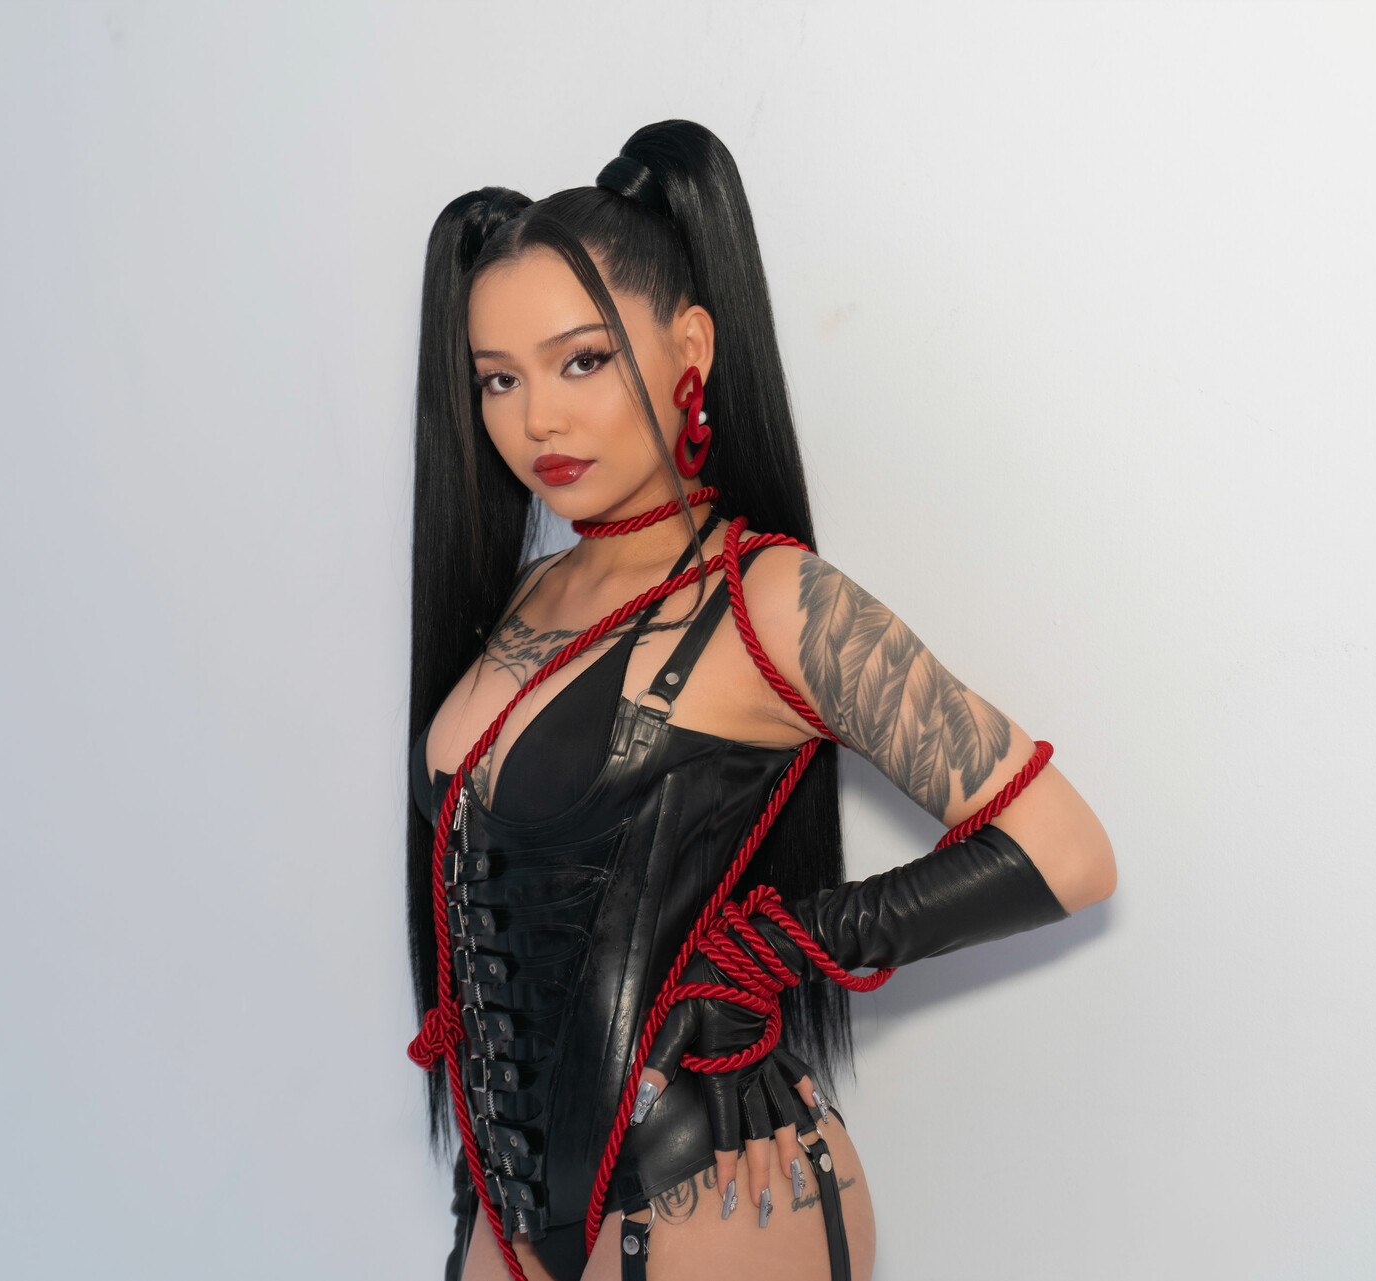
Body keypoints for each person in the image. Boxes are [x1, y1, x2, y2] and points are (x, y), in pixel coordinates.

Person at [405, 120, 1117, 1281]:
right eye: (499, 379)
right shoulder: (526, 597)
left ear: (689, 343)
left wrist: (772, 950)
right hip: (505, 1212)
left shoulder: (772, 600)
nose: (536, 420)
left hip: (713, 1199)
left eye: (582, 361)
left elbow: (1065, 850)